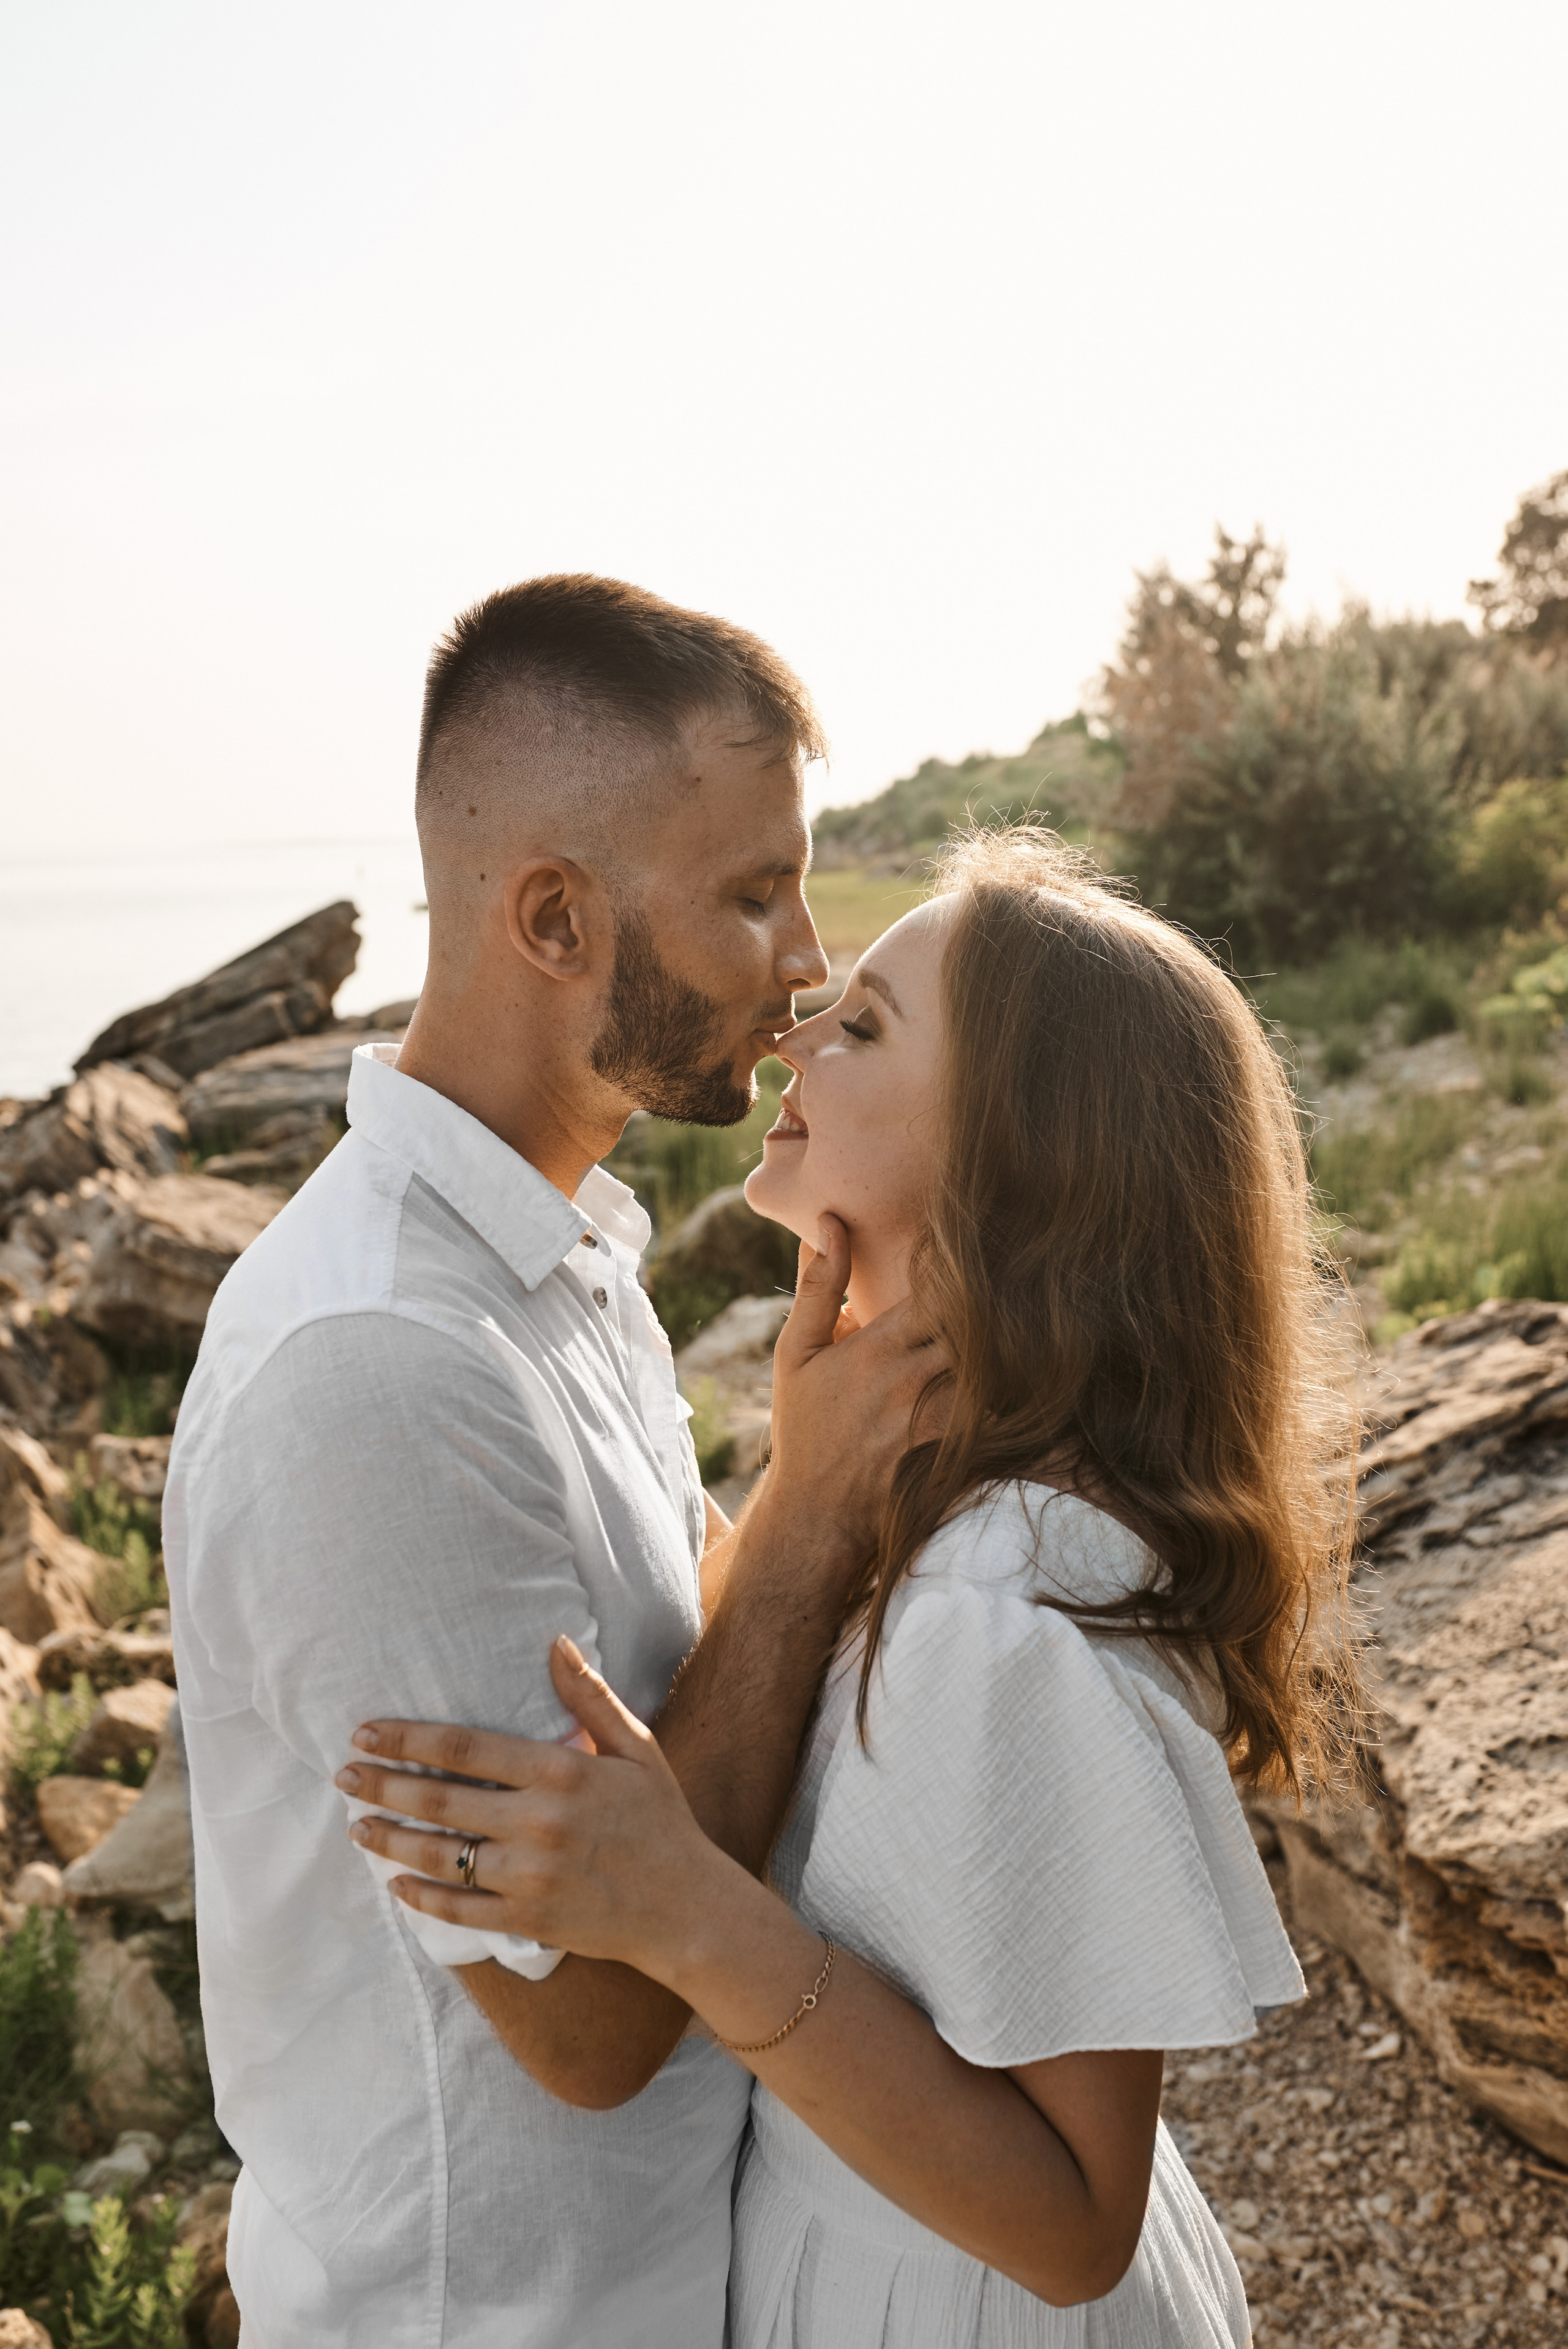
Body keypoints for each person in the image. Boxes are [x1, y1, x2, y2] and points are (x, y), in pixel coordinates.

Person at [344, 825, 1363, 2348]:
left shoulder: (999, 1612)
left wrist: (689, 1915)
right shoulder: (945, 1510)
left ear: (1021, 1177)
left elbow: (1075, 2223)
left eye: (866, 1026)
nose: (797, 1028)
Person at [163, 575, 937, 2349]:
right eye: (754, 894)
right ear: (554, 921)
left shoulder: (558, 1253)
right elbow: (588, 2020)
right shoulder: (379, 1370)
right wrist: (809, 1514)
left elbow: (672, 1711)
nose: (809, 959)